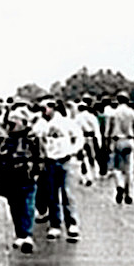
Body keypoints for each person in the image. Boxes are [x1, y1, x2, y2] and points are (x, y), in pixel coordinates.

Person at [31, 96, 84, 241]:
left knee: (68, 193)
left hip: (65, 160)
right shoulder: (41, 124)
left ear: (52, 108)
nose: (43, 112)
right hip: (49, 161)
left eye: (45, 109)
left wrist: (73, 150)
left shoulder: (66, 123)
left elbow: (79, 137)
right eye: (41, 109)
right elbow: (34, 136)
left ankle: (72, 224)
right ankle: (55, 225)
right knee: (52, 195)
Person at [0, 105, 42, 253]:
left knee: (27, 205)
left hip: (26, 176)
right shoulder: (5, 139)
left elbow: (39, 155)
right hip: (11, 178)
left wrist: (37, 170)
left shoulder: (32, 138)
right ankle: (20, 233)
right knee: (15, 206)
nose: (11, 124)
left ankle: (26, 234)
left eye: (14, 122)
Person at [108, 90, 134, 205]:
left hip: (118, 140)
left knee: (117, 168)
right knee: (129, 169)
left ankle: (120, 185)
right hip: (129, 139)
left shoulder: (114, 113)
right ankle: (129, 194)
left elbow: (108, 131)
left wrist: (109, 144)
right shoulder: (132, 113)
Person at [76, 95, 101, 187]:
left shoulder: (77, 118)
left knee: (83, 158)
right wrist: (99, 141)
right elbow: (96, 129)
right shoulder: (91, 117)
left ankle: (86, 176)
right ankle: (94, 174)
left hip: (81, 137)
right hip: (90, 137)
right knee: (92, 157)